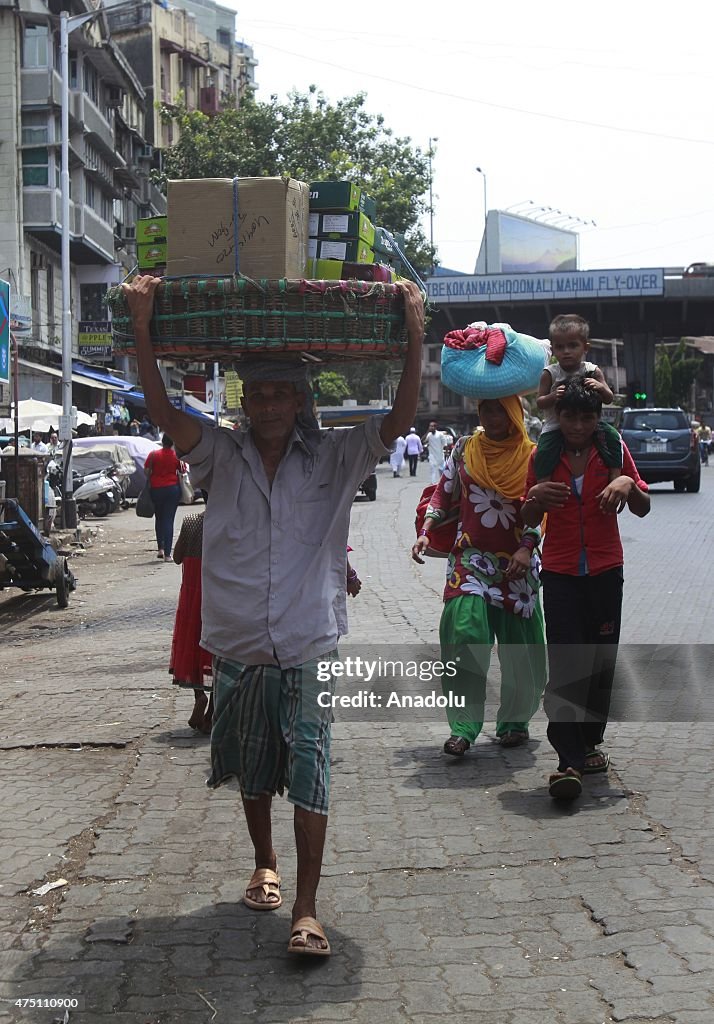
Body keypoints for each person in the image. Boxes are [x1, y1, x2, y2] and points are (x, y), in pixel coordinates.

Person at [122, 273, 423, 958]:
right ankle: (265, 862)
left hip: (309, 638)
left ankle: (309, 908)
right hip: (239, 642)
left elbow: (399, 422)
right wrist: (144, 328)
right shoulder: (219, 456)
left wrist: (414, 332)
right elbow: (165, 414)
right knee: (252, 765)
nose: (268, 403)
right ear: (245, 400)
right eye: (257, 392)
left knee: (311, 765)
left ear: (301, 398)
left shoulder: (338, 457)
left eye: (281, 391)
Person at [522, 378, 650, 801]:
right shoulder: (543, 455)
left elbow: (644, 506)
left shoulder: (612, 451)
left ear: (598, 419)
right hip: (558, 573)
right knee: (564, 664)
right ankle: (568, 760)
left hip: (605, 570)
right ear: (558, 417)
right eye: (570, 416)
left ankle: (590, 741)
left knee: (599, 663)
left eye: (587, 417)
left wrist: (627, 484)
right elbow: (525, 515)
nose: (578, 425)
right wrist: (535, 497)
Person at [412, 397, 546, 755]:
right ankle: (464, 726)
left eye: (501, 409)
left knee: (520, 648)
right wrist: (427, 528)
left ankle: (515, 723)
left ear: (515, 413)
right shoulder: (464, 448)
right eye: (487, 409)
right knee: (463, 631)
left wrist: (527, 546)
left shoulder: (533, 454)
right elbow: (445, 491)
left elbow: (543, 507)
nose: (493, 416)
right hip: (470, 559)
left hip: (518, 561)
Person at [535, 314, 621, 481]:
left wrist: (600, 388)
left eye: (573, 346)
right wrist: (553, 396)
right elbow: (540, 402)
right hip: (555, 424)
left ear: (585, 347)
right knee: (544, 450)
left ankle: (615, 476)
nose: (566, 352)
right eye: (560, 347)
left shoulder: (592, 370)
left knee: (613, 438)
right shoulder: (550, 373)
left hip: (589, 423)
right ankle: (542, 484)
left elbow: (609, 398)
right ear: (553, 349)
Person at [171, 508, 213, 734]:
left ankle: (199, 695)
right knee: (217, 652)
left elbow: (177, 557)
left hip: (191, 595)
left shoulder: (191, 521)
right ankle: (212, 711)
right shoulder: (229, 523)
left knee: (191, 646)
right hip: (218, 598)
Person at [144, 434, 183, 561]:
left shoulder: (154, 454)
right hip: (172, 489)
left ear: (162, 441)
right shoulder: (176, 455)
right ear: (173, 443)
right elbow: (183, 470)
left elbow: (146, 471)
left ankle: (160, 548)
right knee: (168, 520)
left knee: (159, 518)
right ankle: (167, 554)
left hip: (156, 489)